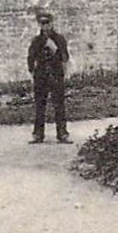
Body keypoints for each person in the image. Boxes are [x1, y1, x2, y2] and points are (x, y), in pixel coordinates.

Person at [27, 11, 71, 144]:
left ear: (52, 23)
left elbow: (65, 57)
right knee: (40, 106)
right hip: (41, 77)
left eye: (47, 23)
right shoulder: (36, 41)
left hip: (56, 75)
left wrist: (55, 49)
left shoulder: (59, 39)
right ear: (39, 25)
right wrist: (32, 73)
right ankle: (38, 135)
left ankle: (62, 134)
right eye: (42, 24)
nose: (45, 27)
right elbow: (30, 58)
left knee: (59, 106)